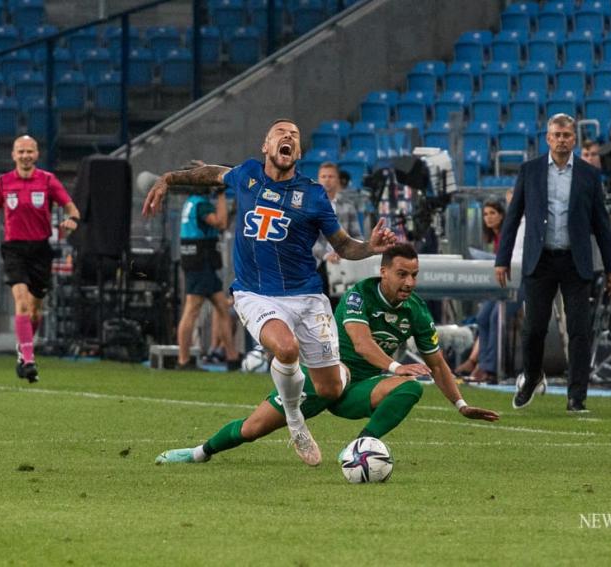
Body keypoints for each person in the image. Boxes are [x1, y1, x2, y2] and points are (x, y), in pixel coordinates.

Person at [142, 118, 397, 466]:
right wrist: (169, 179)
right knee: (286, 348)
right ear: (266, 146)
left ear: (298, 152)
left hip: (306, 297)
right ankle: (295, 421)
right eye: (281, 132)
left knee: (330, 389)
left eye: (294, 134)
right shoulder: (246, 175)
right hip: (255, 293)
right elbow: (212, 174)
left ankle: (336, 377)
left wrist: (370, 246)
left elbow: (343, 245)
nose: (288, 135)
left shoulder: (313, 195)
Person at [155, 243, 500, 465]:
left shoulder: (418, 311)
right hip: (325, 377)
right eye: (402, 274)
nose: (409, 282)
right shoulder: (358, 295)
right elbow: (361, 342)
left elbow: (437, 364)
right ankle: (200, 453)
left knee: (409, 388)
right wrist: (397, 365)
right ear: (382, 272)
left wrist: (461, 405)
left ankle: (359, 448)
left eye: (414, 275)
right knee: (252, 428)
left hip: (361, 388)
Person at [495, 113, 611, 413]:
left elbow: (602, 225)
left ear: (574, 138)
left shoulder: (590, 175)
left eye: (567, 135)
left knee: (580, 330)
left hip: (575, 261)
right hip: (540, 261)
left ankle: (576, 396)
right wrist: (502, 259)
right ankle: (532, 376)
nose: (562, 140)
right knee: (534, 328)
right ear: (548, 138)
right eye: (557, 135)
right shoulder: (531, 171)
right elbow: (512, 218)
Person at [0, 136, 80, 383]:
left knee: (35, 312)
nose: (25, 155)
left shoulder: (47, 180)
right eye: (20, 151)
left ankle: (23, 349)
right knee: (22, 301)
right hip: (14, 249)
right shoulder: (3, 182)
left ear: (36, 154)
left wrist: (72, 221)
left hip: (40, 250)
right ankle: (28, 359)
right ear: (13, 155)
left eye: (29, 151)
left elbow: (72, 208)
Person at [176, 188, 241, 370]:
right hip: (200, 263)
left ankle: (232, 357)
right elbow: (220, 223)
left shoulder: (192, 201)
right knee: (192, 309)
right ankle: (183, 360)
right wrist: (221, 194)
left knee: (221, 307)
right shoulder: (202, 204)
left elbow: (220, 223)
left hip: (199, 263)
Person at [455, 200, 506, 383]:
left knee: (495, 317)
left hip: (514, 285)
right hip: (499, 285)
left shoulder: (508, 234)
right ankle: (480, 364)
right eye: (485, 214)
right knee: (483, 317)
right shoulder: (494, 239)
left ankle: (488, 368)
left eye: (492, 213)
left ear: (501, 215)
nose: (488, 218)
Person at [312, 162, 363, 307]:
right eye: (323, 176)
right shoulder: (311, 206)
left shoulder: (348, 205)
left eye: (331, 176)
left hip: (342, 263)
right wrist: (326, 255)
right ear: (318, 180)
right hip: (317, 263)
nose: (327, 179)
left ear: (338, 180)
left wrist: (347, 252)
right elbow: (306, 239)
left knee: (341, 308)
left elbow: (357, 236)